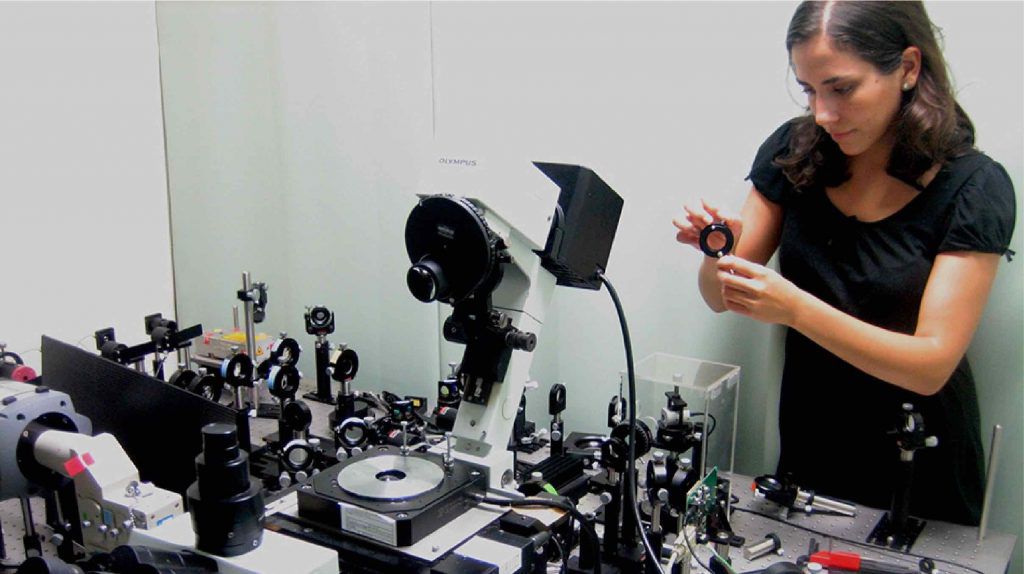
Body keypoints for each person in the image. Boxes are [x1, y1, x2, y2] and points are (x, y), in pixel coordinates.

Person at [673, 0, 1015, 526]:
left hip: (919, 471)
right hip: (812, 455)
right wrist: (718, 252)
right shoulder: (797, 149)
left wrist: (795, 309)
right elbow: (719, 297)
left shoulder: (974, 186)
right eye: (809, 90)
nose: (823, 114)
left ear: (907, 68)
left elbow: (930, 366)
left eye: (841, 88)